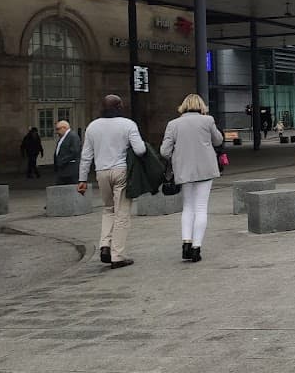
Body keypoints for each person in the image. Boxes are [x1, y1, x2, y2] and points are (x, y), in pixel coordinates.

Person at [78, 95, 147, 269]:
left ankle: (104, 245)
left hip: (101, 172)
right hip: (121, 170)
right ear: (119, 107)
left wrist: (82, 179)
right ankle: (118, 255)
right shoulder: (128, 124)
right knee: (122, 213)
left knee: (108, 209)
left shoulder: (92, 126)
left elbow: (86, 156)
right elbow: (140, 150)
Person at [160, 93, 224, 263]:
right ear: (201, 106)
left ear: (183, 106)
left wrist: (177, 155)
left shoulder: (173, 124)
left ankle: (186, 243)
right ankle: (196, 247)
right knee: (201, 207)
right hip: (205, 169)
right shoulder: (207, 120)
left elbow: (164, 151)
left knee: (188, 207)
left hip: (184, 170)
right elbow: (218, 140)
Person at [53, 120, 81, 185]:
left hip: (70, 170)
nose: (56, 132)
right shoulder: (63, 137)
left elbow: (75, 152)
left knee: (71, 189)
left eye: (58, 129)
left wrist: (62, 161)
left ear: (64, 128)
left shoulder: (73, 136)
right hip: (62, 170)